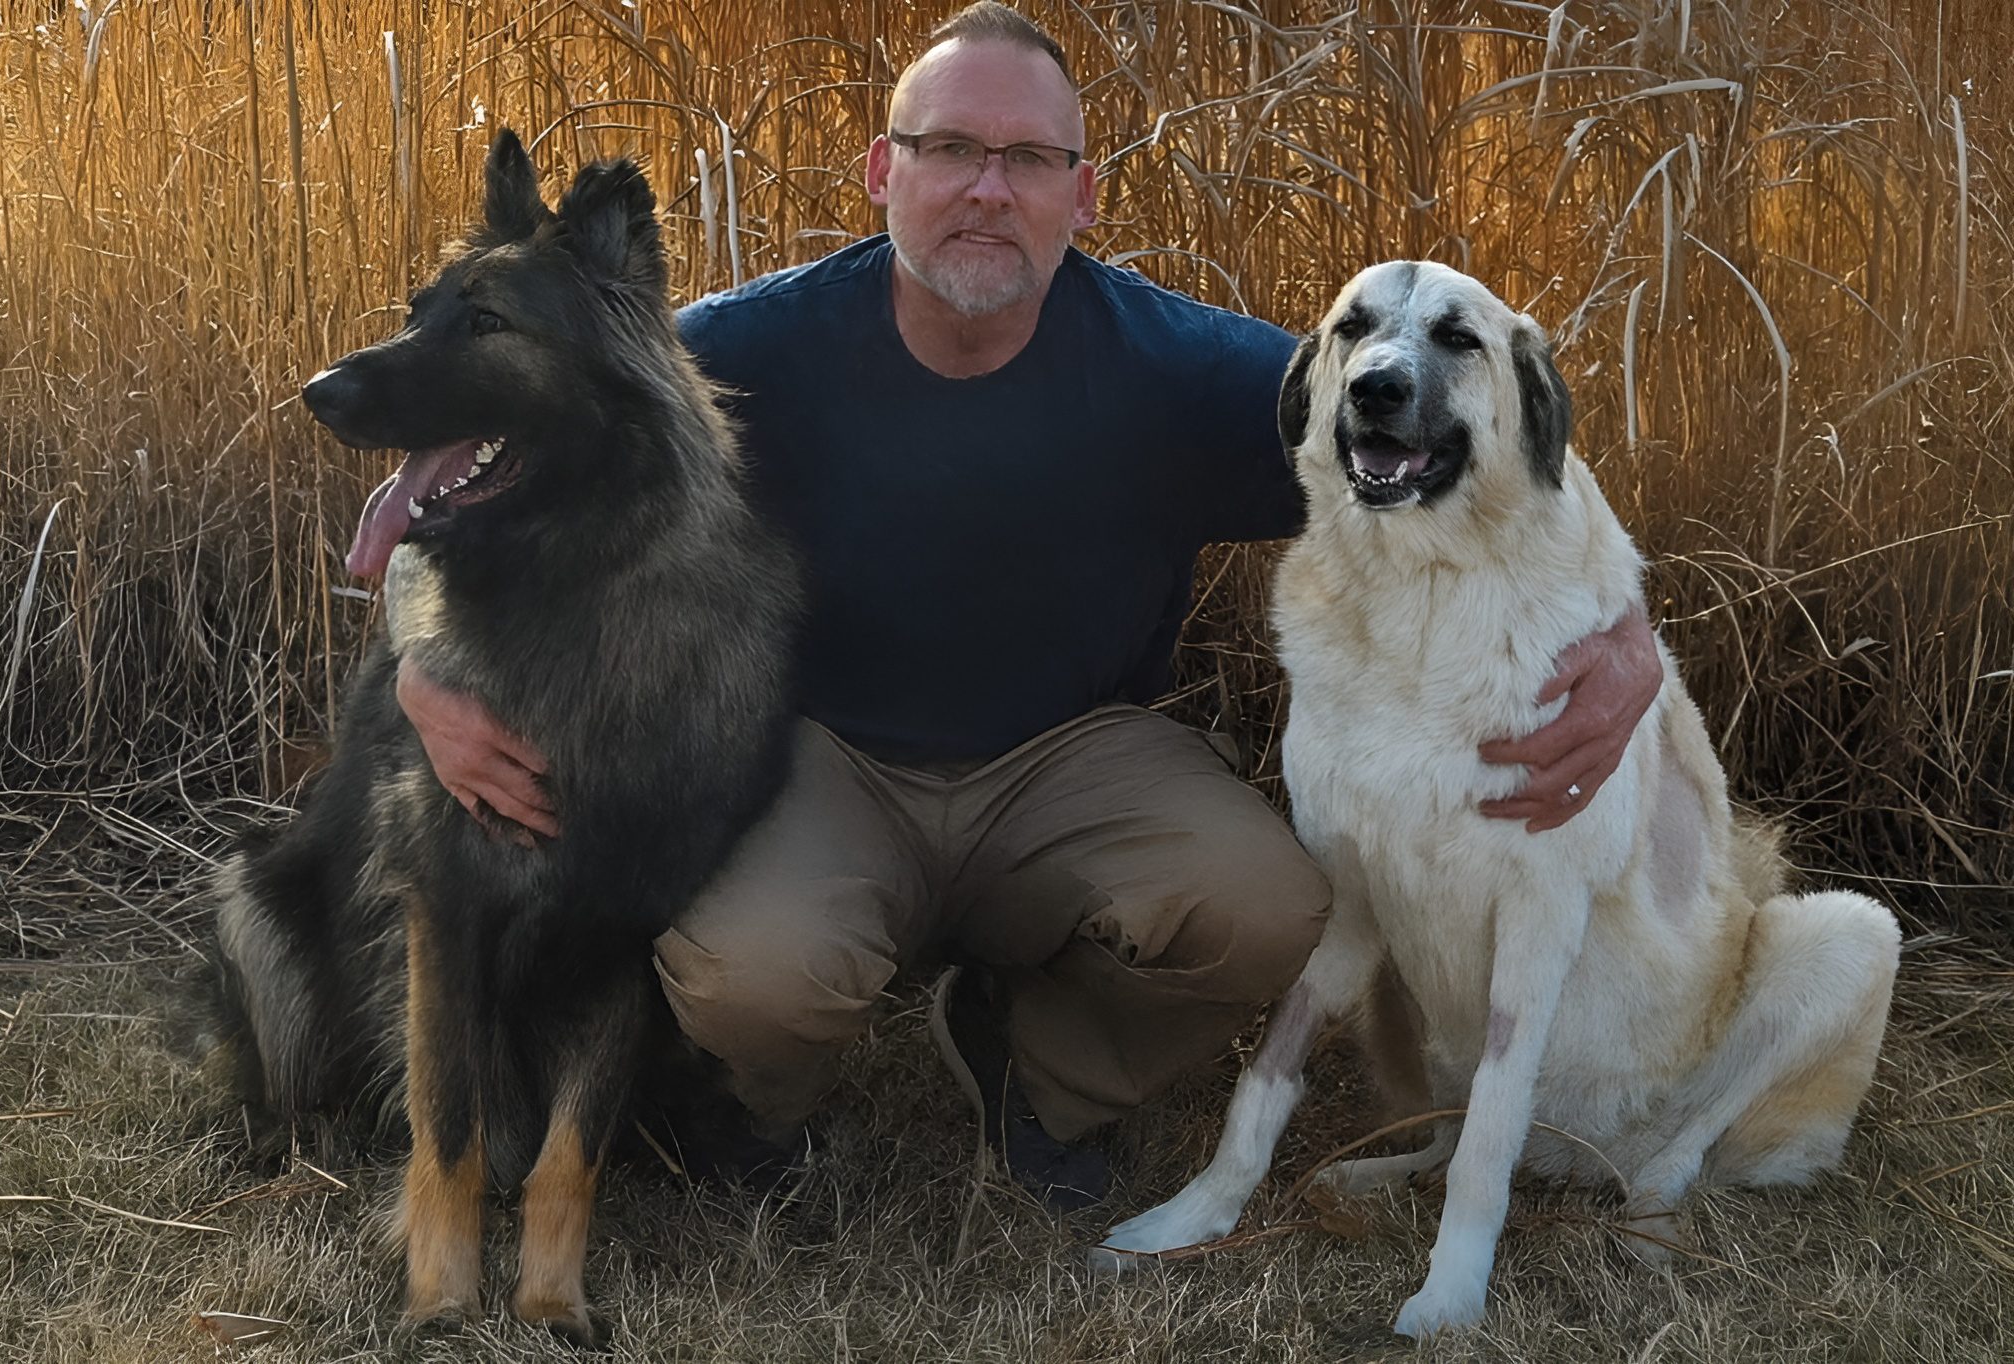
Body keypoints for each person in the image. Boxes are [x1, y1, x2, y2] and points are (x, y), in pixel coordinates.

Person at [392, 3, 1663, 1209]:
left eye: (1027, 157)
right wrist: (425, 668)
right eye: (949, 149)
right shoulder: (742, 353)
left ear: (1082, 191)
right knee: (757, 975)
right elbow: (480, 460)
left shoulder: (1178, 366)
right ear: (881, 172)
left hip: (1077, 755)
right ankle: (745, 1103)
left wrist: (1626, 635)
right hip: (820, 754)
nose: (987, 188)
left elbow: (1487, 426)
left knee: (1267, 904)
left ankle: (1032, 1066)